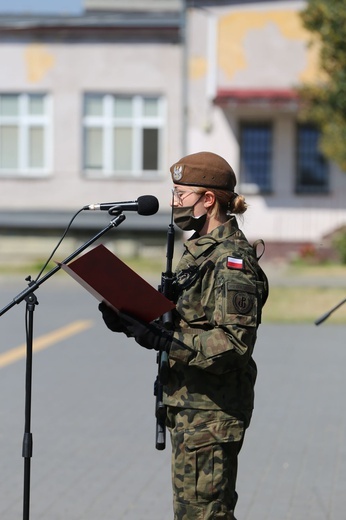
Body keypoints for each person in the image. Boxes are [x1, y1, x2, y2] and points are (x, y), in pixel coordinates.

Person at [99, 151, 268, 520]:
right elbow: (189, 319)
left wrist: (165, 341)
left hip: (212, 410)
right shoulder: (200, 250)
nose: (174, 202)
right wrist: (133, 319)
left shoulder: (231, 261)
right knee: (194, 513)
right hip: (191, 405)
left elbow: (233, 345)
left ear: (209, 200)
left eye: (181, 194)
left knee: (204, 515)